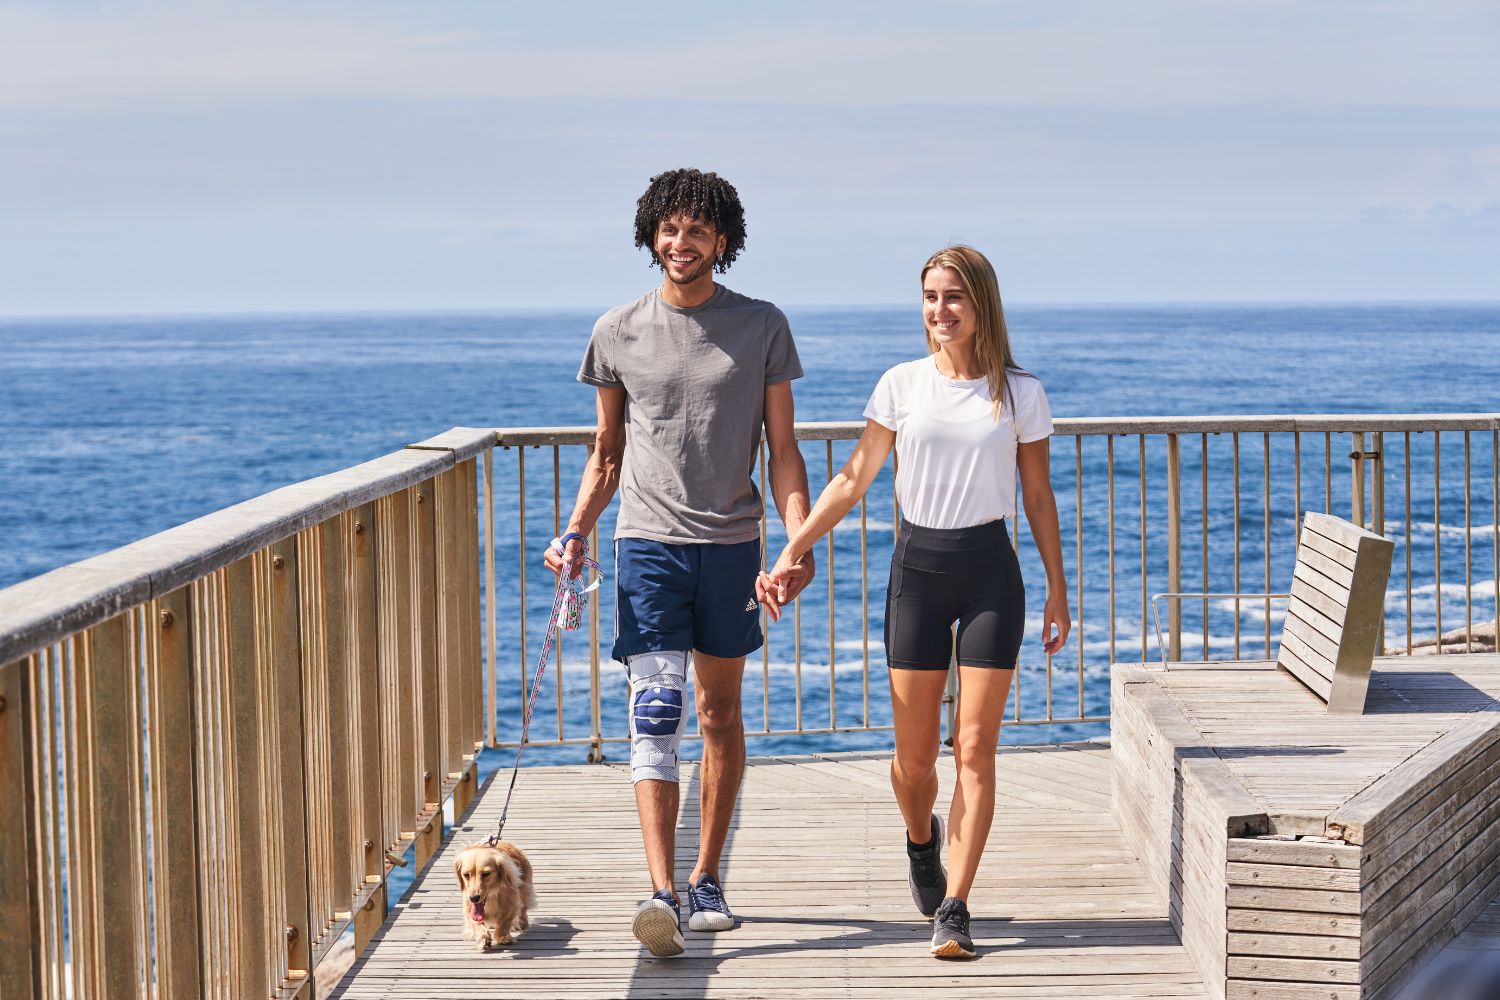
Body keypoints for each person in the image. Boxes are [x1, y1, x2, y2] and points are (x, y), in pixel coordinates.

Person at [766, 245, 1070, 959]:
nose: (940, 311)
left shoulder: (1019, 392)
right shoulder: (902, 385)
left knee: (974, 746)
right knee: (913, 762)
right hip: (918, 575)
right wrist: (792, 548)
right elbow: (852, 478)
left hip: (992, 572)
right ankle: (920, 839)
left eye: (954, 297)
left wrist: (1058, 587)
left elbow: (1036, 495)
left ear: (982, 304)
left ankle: (956, 909)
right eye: (931, 297)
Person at [544, 168, 814, 957]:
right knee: (655, 714)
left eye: (697, 229)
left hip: (732, 548)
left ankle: (706, 880)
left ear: (722, 240)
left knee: (719, 716)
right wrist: (575, 532)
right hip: (648, 545)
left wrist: (796, 542)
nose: (681, 241)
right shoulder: (617, 329)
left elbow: (786, 452)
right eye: (669, 229)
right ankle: (659, 891)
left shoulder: (761, 326)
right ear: (650, 237)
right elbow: (606, 452)